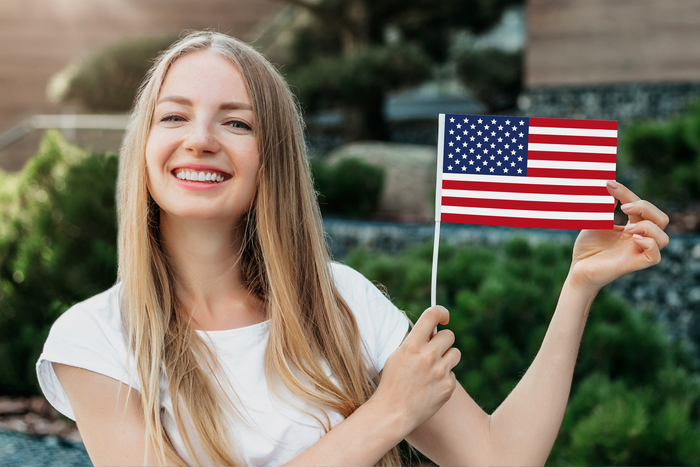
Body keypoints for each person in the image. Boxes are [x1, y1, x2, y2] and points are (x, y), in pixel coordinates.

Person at [35, 31, 669, 467]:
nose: (199, 139)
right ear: (143, 146)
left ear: (272, 157)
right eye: (173, 117)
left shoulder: (343, 302)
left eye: (236, 121)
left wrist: (578, 286)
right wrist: (385, 415)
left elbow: (500, 459)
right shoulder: (96, 340)